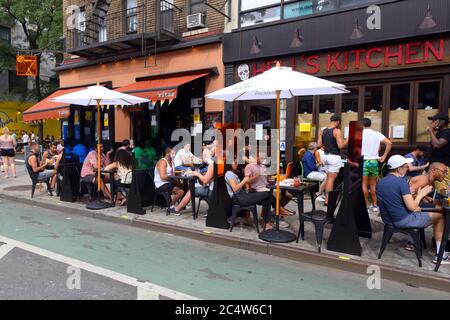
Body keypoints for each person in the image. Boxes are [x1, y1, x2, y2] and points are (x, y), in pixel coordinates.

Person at [377, 155, 448, 264]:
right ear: (399, 168)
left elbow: (397, 198)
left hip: (388, 219)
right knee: (440, 217)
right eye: (406, 166)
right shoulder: (401, 182)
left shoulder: (381, 181)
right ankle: (441, 255)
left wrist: (422, 198)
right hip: (403, 220)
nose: (408, 168)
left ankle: (414, 242)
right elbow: (412, 207)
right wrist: (420, 195)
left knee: (428, 210)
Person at [245, 152, 294, 222]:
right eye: (261, 158)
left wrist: (271, 177)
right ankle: (278, 210)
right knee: (278, 196)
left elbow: (267, 179)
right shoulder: (249, 166)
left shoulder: (263, 166)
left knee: (288, 196)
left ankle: (275, 211)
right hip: (256, 189)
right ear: (257, 157)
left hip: (267, 187)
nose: (262, 160)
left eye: (264, 158)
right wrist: (257, 175)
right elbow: (247, 181)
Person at [225, 159, 273, 230]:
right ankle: (266, 222)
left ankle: (266, 222)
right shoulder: (229, 174)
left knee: (266, 201)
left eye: (236, 162)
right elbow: (235, 189)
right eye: (235, 163)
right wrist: (244, 181)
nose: (236, 164)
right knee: (268, 194)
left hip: (242, 195)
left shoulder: (232, 173)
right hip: (238, 198)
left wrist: (246, 186)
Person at [361, 118, 393, 213]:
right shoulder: (376, 134)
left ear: (362, 125)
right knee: (373, 185)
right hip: (374, 161)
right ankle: (375, 205)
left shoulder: (359, 134)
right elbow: (389, 143)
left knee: (364, 185)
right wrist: (384, 156)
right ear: (370, 125)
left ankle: (366, 206)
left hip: (364, 161)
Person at [317, 114, 347, 205]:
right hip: (334, 157)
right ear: (338, 122)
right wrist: (347, 141)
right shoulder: (337, 131)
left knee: (328, 178)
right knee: (331, 180)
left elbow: (318, 144)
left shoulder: (323, 131)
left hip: (325, 156)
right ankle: (327, 201)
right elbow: (341, 146)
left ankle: (326, 198)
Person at [154, 147, 186, 216]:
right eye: (173, 153)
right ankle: (171, 206)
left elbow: (173, 175)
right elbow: (163, 177)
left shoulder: (172, 162)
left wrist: (179, 179)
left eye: (174, 153)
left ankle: (171, 205)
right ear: (168, 154)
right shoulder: (162, 162)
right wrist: (174, 180)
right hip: (161, 184)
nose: (174, 155)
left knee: (183, 188)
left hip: (168, 182)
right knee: (179, 189)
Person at [427, 112, 450, 196]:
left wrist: (430, 130)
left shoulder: (448, 132)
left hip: (442, 169)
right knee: (434, 191)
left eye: (434, 120)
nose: (432, 123)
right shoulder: (439, 133)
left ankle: (445, 208)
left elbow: (437, 145)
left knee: (444, 192)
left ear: (442, 122)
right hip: (435, 168)